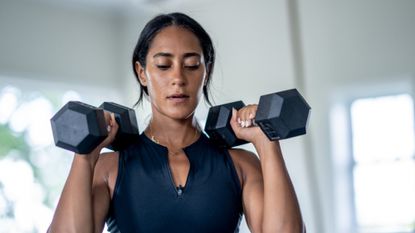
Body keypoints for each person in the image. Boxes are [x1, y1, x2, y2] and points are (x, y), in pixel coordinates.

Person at [48, 12, 305, 233]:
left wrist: (267, 143)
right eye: (163, 65)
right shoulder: (109, 169)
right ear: (142, 73)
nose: (178, 78)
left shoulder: (240, 165)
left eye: (192, 65)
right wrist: (85, 156)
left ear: (207, 73)